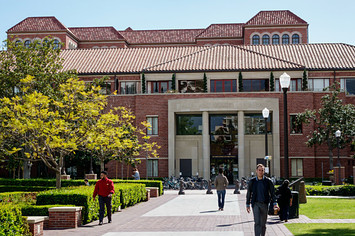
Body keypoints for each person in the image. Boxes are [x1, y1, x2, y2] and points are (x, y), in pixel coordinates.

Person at [246, 164, 278, 236]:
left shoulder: (268, 181)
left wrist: (275, 203)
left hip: (264, 204)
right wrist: (247, 204)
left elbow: (272, 193)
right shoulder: (252, 181)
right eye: (259, 170)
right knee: (257, 222)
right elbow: (249, 193)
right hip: (256, 204)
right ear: (256, 171)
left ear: (264, 171)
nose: (260, 172)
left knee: (263, 224)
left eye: (262, 170)